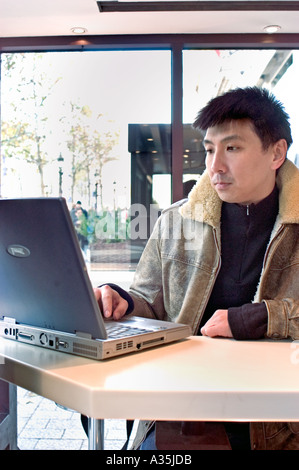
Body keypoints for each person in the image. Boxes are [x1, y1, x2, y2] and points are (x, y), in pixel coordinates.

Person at [93, 87, 299, 450]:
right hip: (181, 407)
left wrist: (262, 317)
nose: (214, 165)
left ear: (276, 153)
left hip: (279, 421)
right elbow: (150, 300)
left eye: (232, 148)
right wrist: (121, 300)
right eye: (208, 150)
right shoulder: (175, 221)